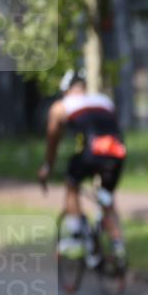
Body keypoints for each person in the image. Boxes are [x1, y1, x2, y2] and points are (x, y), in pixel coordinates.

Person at [38, 69, 127, 265]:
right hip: (117, 153)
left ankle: (77, 232)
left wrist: (47, 166)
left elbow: (52, 141)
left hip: (91, 153)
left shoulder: (61, 106)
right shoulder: (104, 100)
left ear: (66, 90)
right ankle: (118, 245)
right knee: (106, 199)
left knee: (71, 183)